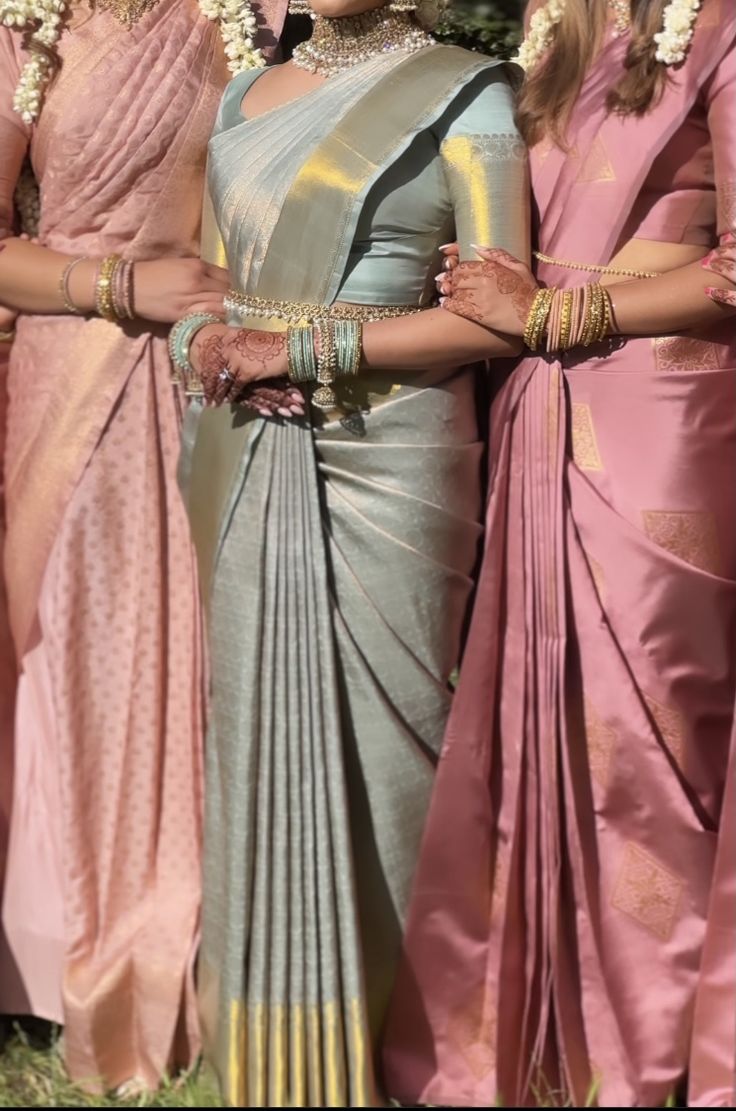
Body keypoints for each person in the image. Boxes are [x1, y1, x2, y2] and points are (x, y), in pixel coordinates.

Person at [175, 0, 530, 1100]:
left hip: (393, 452)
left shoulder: (467, 93)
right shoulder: (243, 95)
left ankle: (403, 1047)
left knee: (395, 744)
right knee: (249, 730)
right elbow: (203, 282)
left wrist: (308, 343)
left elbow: (497, 315)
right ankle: (267, 1055)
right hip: (241, 445)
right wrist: (206, 340)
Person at [383, 0, 736, 1106]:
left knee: (650, 735)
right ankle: (549, 1040)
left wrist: (549, 315)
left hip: (661, 426)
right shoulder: (556, 17)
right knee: (542, 722)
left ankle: (654, 1048)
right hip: (538, 409)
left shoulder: (720, 24)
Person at [0, 0, 295, 1091]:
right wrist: (119, 287)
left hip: (201, 371)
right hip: (68, 367)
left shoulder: (239, 15)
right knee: (80, 648)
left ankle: (206, 937)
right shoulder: (28, 26)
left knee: (198, 654)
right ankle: (60, 943)